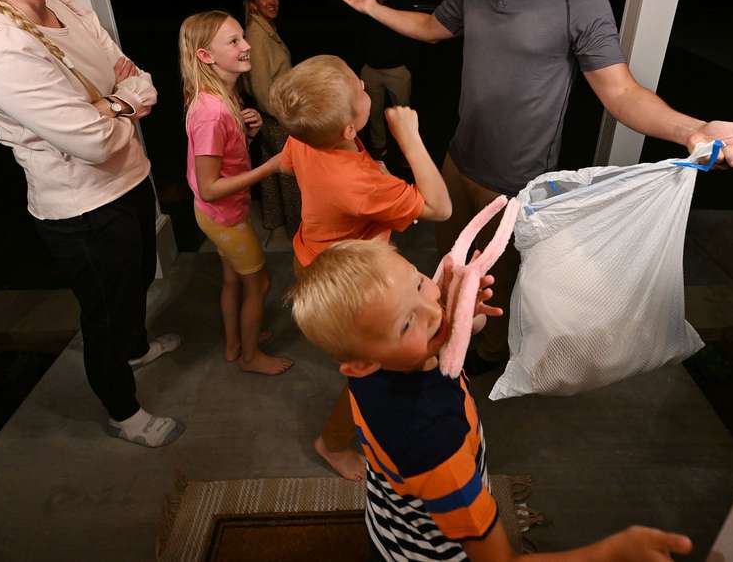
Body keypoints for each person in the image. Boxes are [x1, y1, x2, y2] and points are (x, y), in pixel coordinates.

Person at [335, 0, 733, 373]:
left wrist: (692, 129)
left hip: (512, 184)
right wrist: (374, 9)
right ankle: (453, 336)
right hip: (458, 160)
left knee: (497, 283)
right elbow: (433, 28)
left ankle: (487, 357)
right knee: (452, 265)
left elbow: (620, 91)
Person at [0, 0, 182, 448]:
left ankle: (137, 348)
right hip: (83, 209)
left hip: (131, 178)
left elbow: (135, 75)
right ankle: (125, 413)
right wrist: (120, 102)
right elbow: (92, 141)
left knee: (141, 279)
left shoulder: (69, 6)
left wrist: (111, 100)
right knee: (104, 314)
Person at [289, 239, 694, 562]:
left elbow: (436, 332)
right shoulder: (437, 446)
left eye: (417, 282)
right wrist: (608, 554)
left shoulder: (377, 364)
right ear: (359, 365)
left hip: (388, 523)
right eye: (407, 322)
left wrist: (466, 317)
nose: (432, 309)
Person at [267, 54, 450, 479]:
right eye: (361, 91)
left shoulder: (307, 136)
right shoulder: (360, 184)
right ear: (350, 128)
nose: (366, 89)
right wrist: (409, 138)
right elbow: (441, 207)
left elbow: (295, 167)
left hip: (312, 257)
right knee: (375, 370)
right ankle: (330, 444)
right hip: (351, 284)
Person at [179, 10, 293, 376]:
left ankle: (234, 344)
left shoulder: (222, 97)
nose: (246, 46)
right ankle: (250, 356)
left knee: (232, 279)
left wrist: (249, 131)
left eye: (243, 37)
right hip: (223, 216)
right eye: (234, 41)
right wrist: (271, 166)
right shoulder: (212, 112)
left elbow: (224, 157)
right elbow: (211, 188)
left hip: (221, 213)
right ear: (205, 56)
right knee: (260, 282)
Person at [241, 0, 302, 233]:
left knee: (272, 168)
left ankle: (274, 219)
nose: (272, 1)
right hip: (274, 115)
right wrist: (283, 116)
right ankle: (298, 229)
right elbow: (260, 87)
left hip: (271, 113)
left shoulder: (266, 29)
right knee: (291, 172)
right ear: (253, 5)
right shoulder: (257, 34)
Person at [357, 0, 419, 160]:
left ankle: (407, 152)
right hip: (372, 70)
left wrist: (408, 66)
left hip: (397, 70)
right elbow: (357, 35)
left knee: (404, 115)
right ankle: (379, 149)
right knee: (373, 114)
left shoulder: (401, 2)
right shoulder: (362, 4)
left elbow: (414, 34)